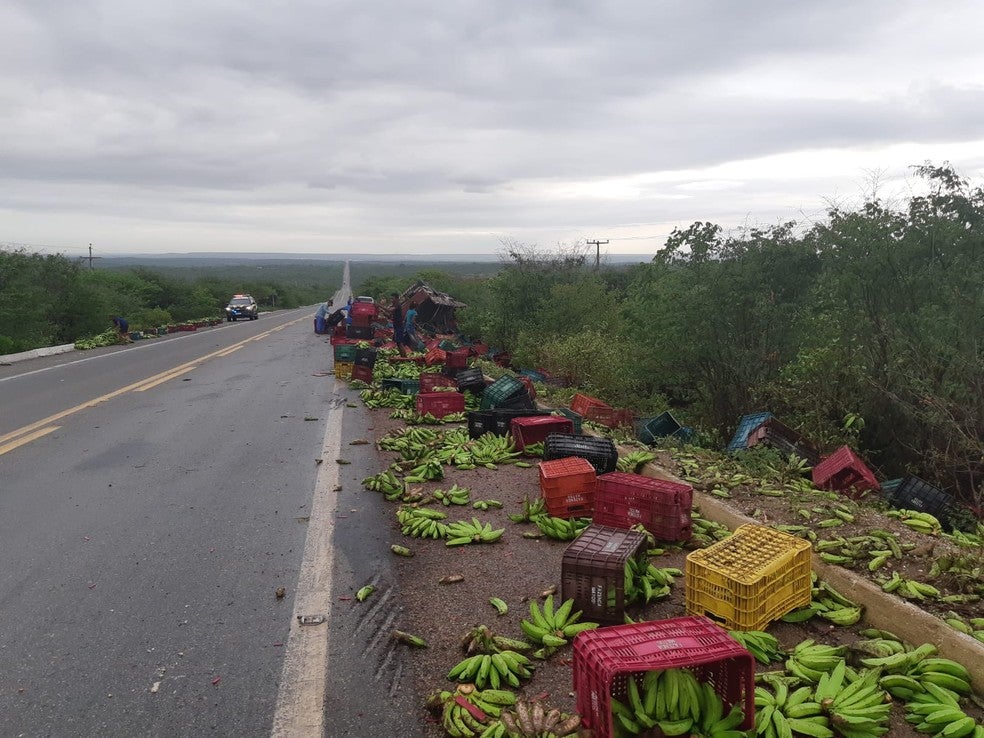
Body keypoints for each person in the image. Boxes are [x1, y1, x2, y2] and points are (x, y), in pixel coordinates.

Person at [390, 293, 407, 357]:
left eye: (392, 298)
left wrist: (379, 305)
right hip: (396, 325)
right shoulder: (394, 305)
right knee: (398, 343)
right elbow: (389, 314)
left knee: (399, 342)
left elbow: (389, 310)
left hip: (399, 326)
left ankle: (404, 357)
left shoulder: (397, 305)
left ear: (396, 298)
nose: (391, 300)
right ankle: (402, 356)